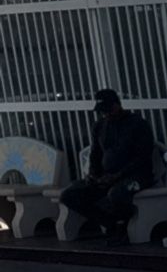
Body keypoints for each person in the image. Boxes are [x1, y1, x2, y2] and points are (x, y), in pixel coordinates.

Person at [60, 89, 155, 242]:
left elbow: (142, 157)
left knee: (117, 194)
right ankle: (109, 223)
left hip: (136, 176)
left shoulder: (137, 124)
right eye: (102, 112)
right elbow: (95, 153)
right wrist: (93, 174)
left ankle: (123, 227)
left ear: (117, 105)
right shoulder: (100, 126)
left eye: (108, 110)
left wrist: (117, 176)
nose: (106, 114)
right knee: (69, 195)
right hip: (107, 176)